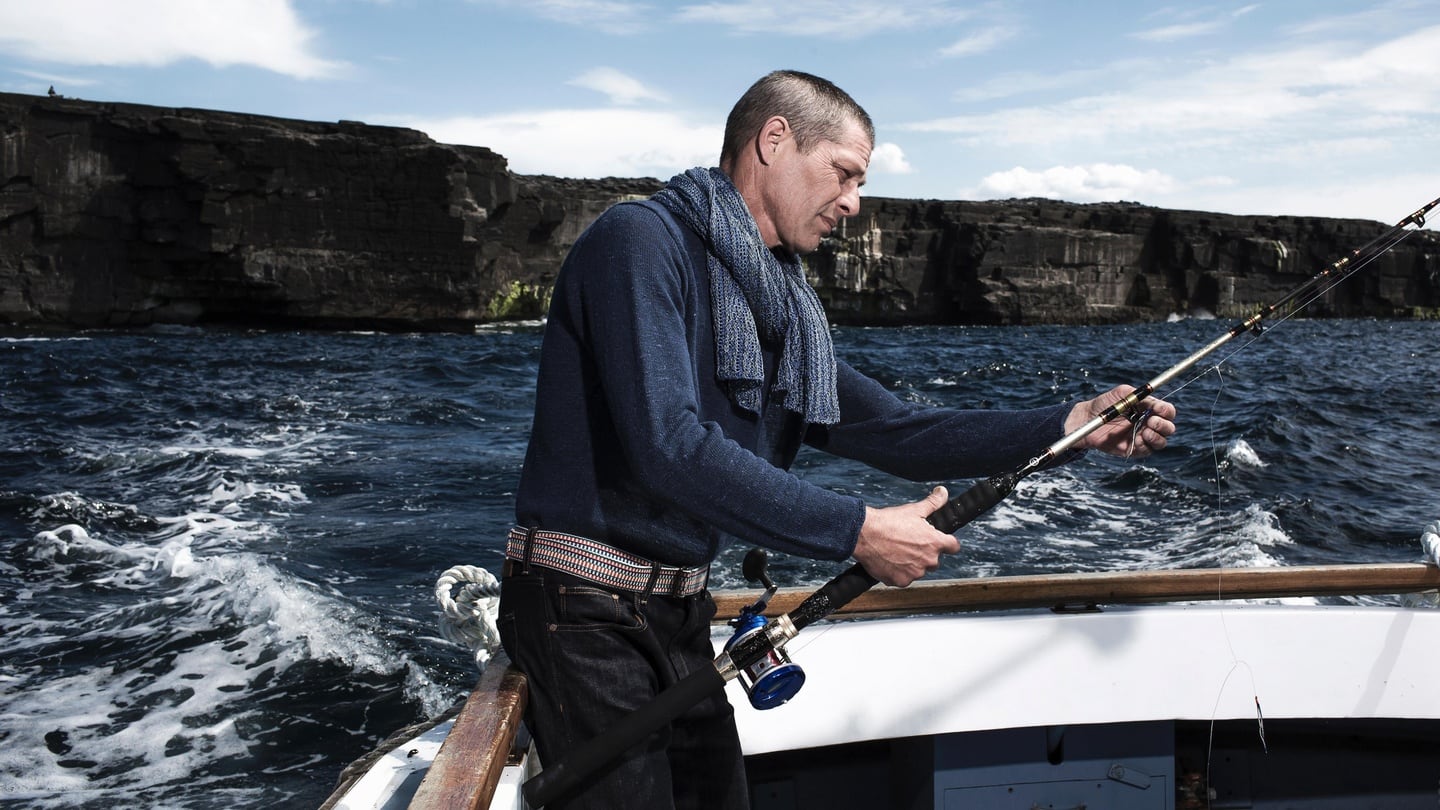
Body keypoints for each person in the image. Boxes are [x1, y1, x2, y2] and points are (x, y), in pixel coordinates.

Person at [497, 69, 1177, 809]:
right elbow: (671, 446)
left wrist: (1071, 426)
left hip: (680, 614)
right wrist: (857, 531)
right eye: (845, 173)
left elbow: (899, 430)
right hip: (581, 611)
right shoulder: (639, 240)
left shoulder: (779, 307)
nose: (854, 203)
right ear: (775, 140)